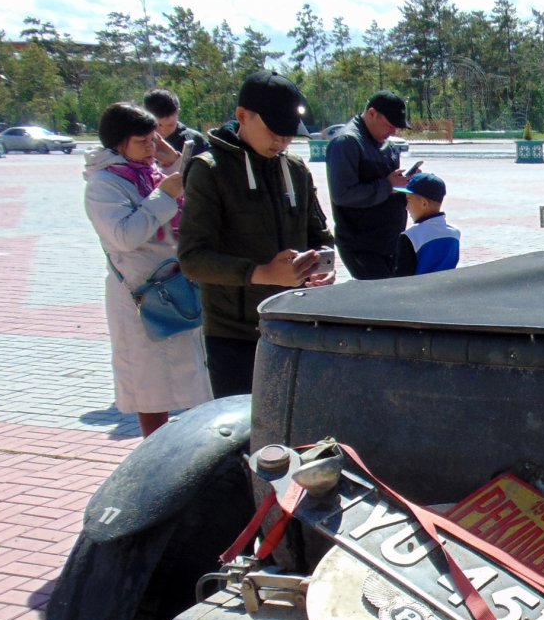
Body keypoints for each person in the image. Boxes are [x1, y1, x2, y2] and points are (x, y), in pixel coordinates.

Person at [178, 71, 333, 397]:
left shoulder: (294, 168)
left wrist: (320, 267)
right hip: (234, 335)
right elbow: (193, 259)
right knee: (245, 435)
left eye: (289, 135)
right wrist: (261, 273)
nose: (282, 142)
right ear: (242, 116)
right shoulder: (209, 170)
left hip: (294, 324)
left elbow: (318, 235)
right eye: (274, 132)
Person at [85, 102, 214, 437]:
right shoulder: (103, 184)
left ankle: (198, 447)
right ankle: (154, 449)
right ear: (119, 144)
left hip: (177, 285)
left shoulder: (152, 172)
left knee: (192, 376)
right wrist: (164, 196)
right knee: (149, 382)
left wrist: (174, 165)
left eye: (153, 140)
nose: (151, 148)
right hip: (141, 294)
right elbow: (124, 236)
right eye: (142, 142)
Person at [326, 91, 411, 280]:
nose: (392, 132)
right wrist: (388, 186)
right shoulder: (346, 142)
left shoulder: (386, 145)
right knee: (384, 304)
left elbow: (391, 184)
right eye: (389, 125)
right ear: (372, 113)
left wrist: (406, 184)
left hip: (388, 242)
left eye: (396, 128)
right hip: (363, 247)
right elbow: (343, 194)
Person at [394, 173, 461, 276]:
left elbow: (402, 280)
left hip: (420, 291)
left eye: (409, 200)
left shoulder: (410, 236)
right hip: (446, 289)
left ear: (424, 203)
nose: (407, 207)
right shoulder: (455, 233)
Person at [143, 87, 210, 171]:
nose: (164, 130)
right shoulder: (139, 142)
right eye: (158, 125)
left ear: (178, 113)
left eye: (170, 125)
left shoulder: (195, 140)